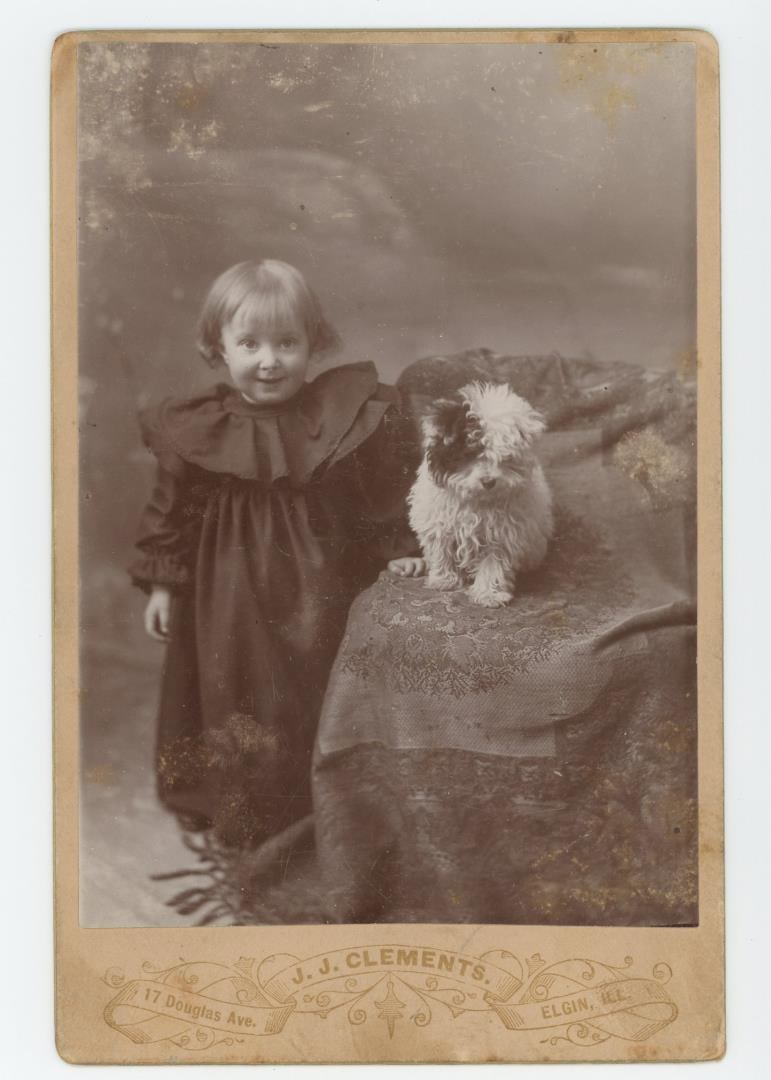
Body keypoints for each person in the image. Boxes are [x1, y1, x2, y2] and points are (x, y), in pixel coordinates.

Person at [130, 259, 422, 847]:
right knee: (231, 688)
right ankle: (233, 802)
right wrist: (162, 584)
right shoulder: (200, 428)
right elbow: (169, 510)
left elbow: (372, 493)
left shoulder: (332, 417)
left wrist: (396, 548)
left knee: (309, 688)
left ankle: (315, 803)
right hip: (226, 592)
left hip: (319, 580)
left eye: (287, 343)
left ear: (313, 343)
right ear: (219, 347)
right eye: (250, 344)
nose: (270, 361)